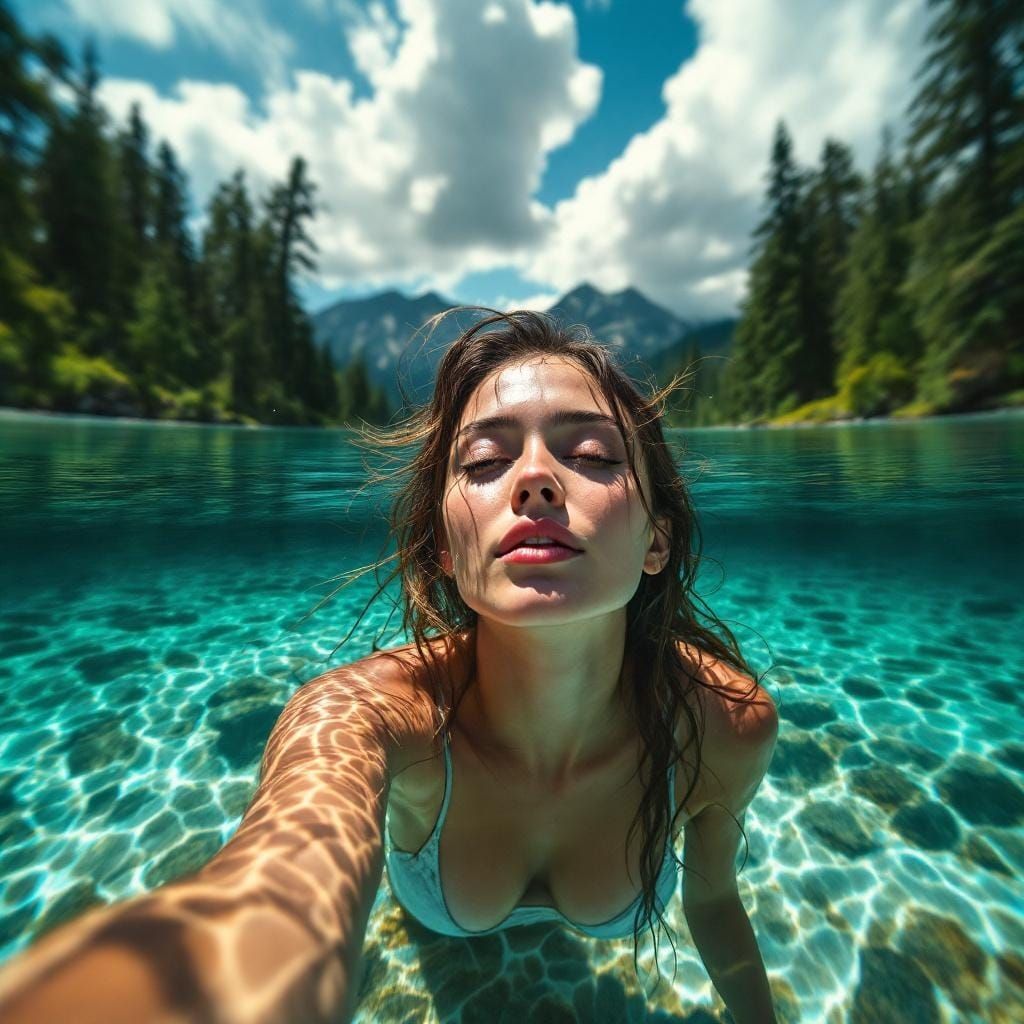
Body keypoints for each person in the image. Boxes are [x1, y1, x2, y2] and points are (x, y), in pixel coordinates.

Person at [0, 308, 779, 1024]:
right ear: (445, 547)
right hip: (437, 924)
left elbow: (713, 900)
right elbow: (266, 897)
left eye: (589, 454)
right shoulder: (363, 717)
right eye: (483, 460)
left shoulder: (724, 723)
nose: (535, 479)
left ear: (657, 539)